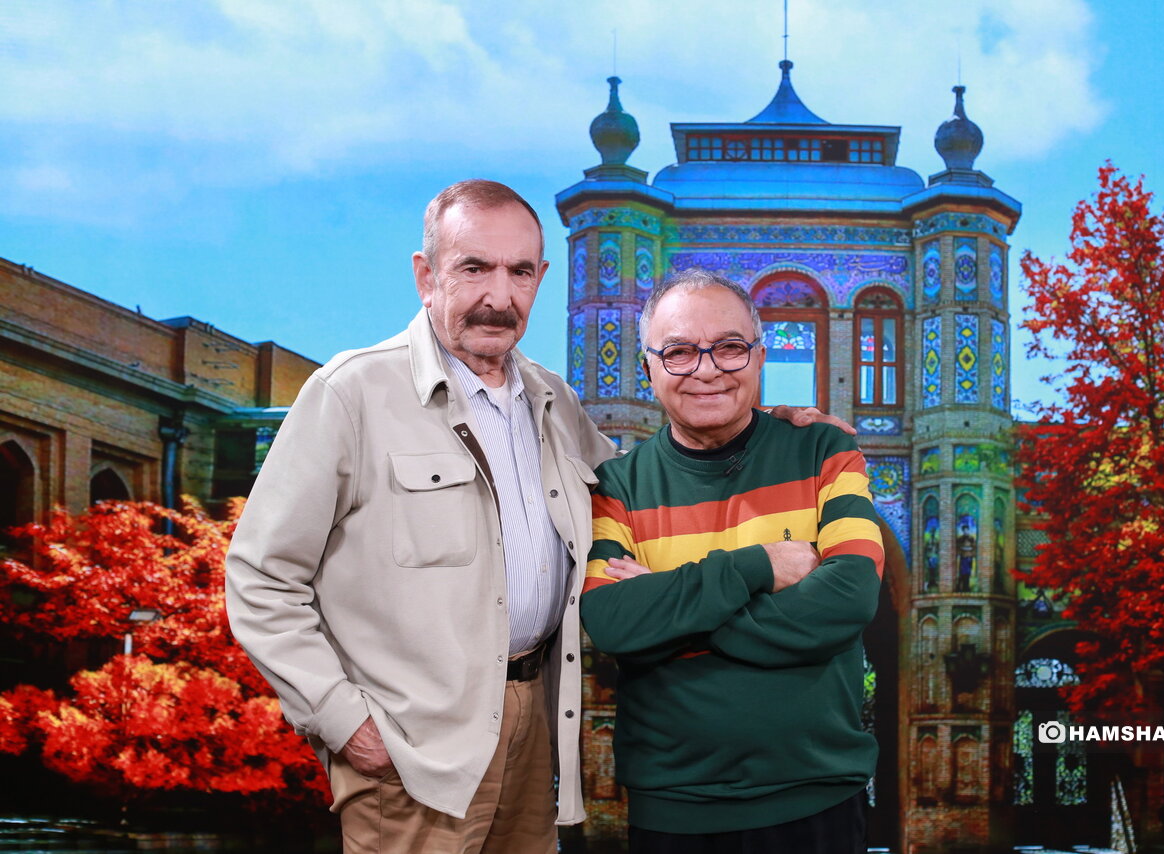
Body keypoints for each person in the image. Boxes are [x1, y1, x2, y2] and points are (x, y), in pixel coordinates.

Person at [225, 180, 851, 854]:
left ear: (541, 278)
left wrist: (756, 421)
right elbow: (260, 579)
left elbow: (649, 482)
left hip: (534, 730)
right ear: (426, 275)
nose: (500, 295)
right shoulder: (353, 393)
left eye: (519, 271)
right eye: (474, 268)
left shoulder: (550, 400)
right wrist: (343, 720)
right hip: (414, 746)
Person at [581, 269, 885, 854]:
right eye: (678, 352)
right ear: (647, 368)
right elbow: (614, 622)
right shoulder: (616, 485)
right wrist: (756, 568)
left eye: (729, 347)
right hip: (674, 808)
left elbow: (849, 598)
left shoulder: (824, 450)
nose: (706, 369)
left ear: (759, 356)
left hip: (817, 795)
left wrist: (672, 606)